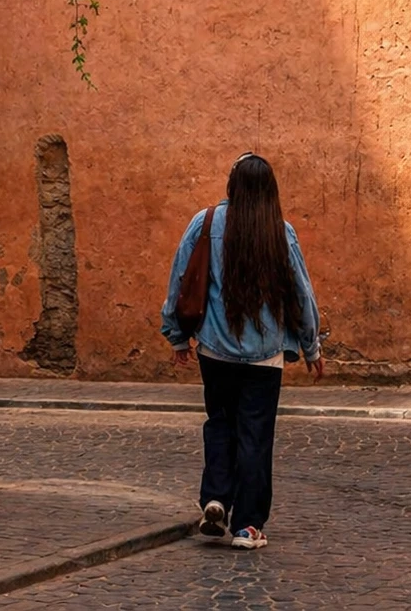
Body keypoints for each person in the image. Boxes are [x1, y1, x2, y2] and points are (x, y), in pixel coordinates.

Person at [161, 153, 323, 550]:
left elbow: (181, 280)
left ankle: (216, 499)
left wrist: (178, 337)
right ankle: (248, 526)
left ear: (232, 184)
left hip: (215, 351)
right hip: (265, 356)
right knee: (255, 436)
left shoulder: (205, 223)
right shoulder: (280, 232)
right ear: (270, 190)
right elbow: (301, 294)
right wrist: (311, 346)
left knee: (220, 423)